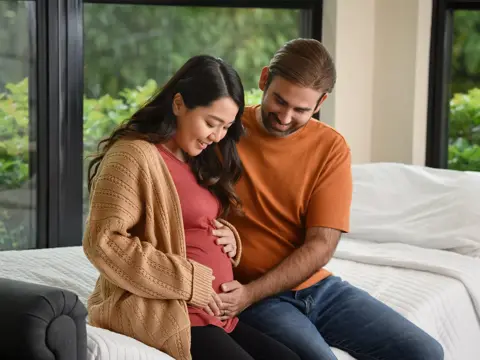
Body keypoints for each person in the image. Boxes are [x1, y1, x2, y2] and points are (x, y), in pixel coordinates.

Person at [216, 39, 445, 360]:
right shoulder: (224, 131)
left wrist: (249, 294)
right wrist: (248, 295)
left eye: (301, 110)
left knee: (425, 352)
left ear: (321, 102)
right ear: (264, 79)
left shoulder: (331, 148)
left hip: (317, 288)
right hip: (258, 298)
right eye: (279, 101)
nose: (284, 116)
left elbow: (321, 244)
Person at [82, 55, 300, 360]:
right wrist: (190, 280)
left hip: (218, 314)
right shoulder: (134, 155)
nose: (217, 136)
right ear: (179, 104)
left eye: (226, 126)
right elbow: (103, 242)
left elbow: (188, 222)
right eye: (211, 123)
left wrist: (229, 238)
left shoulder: (199, 157)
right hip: (176, 313)